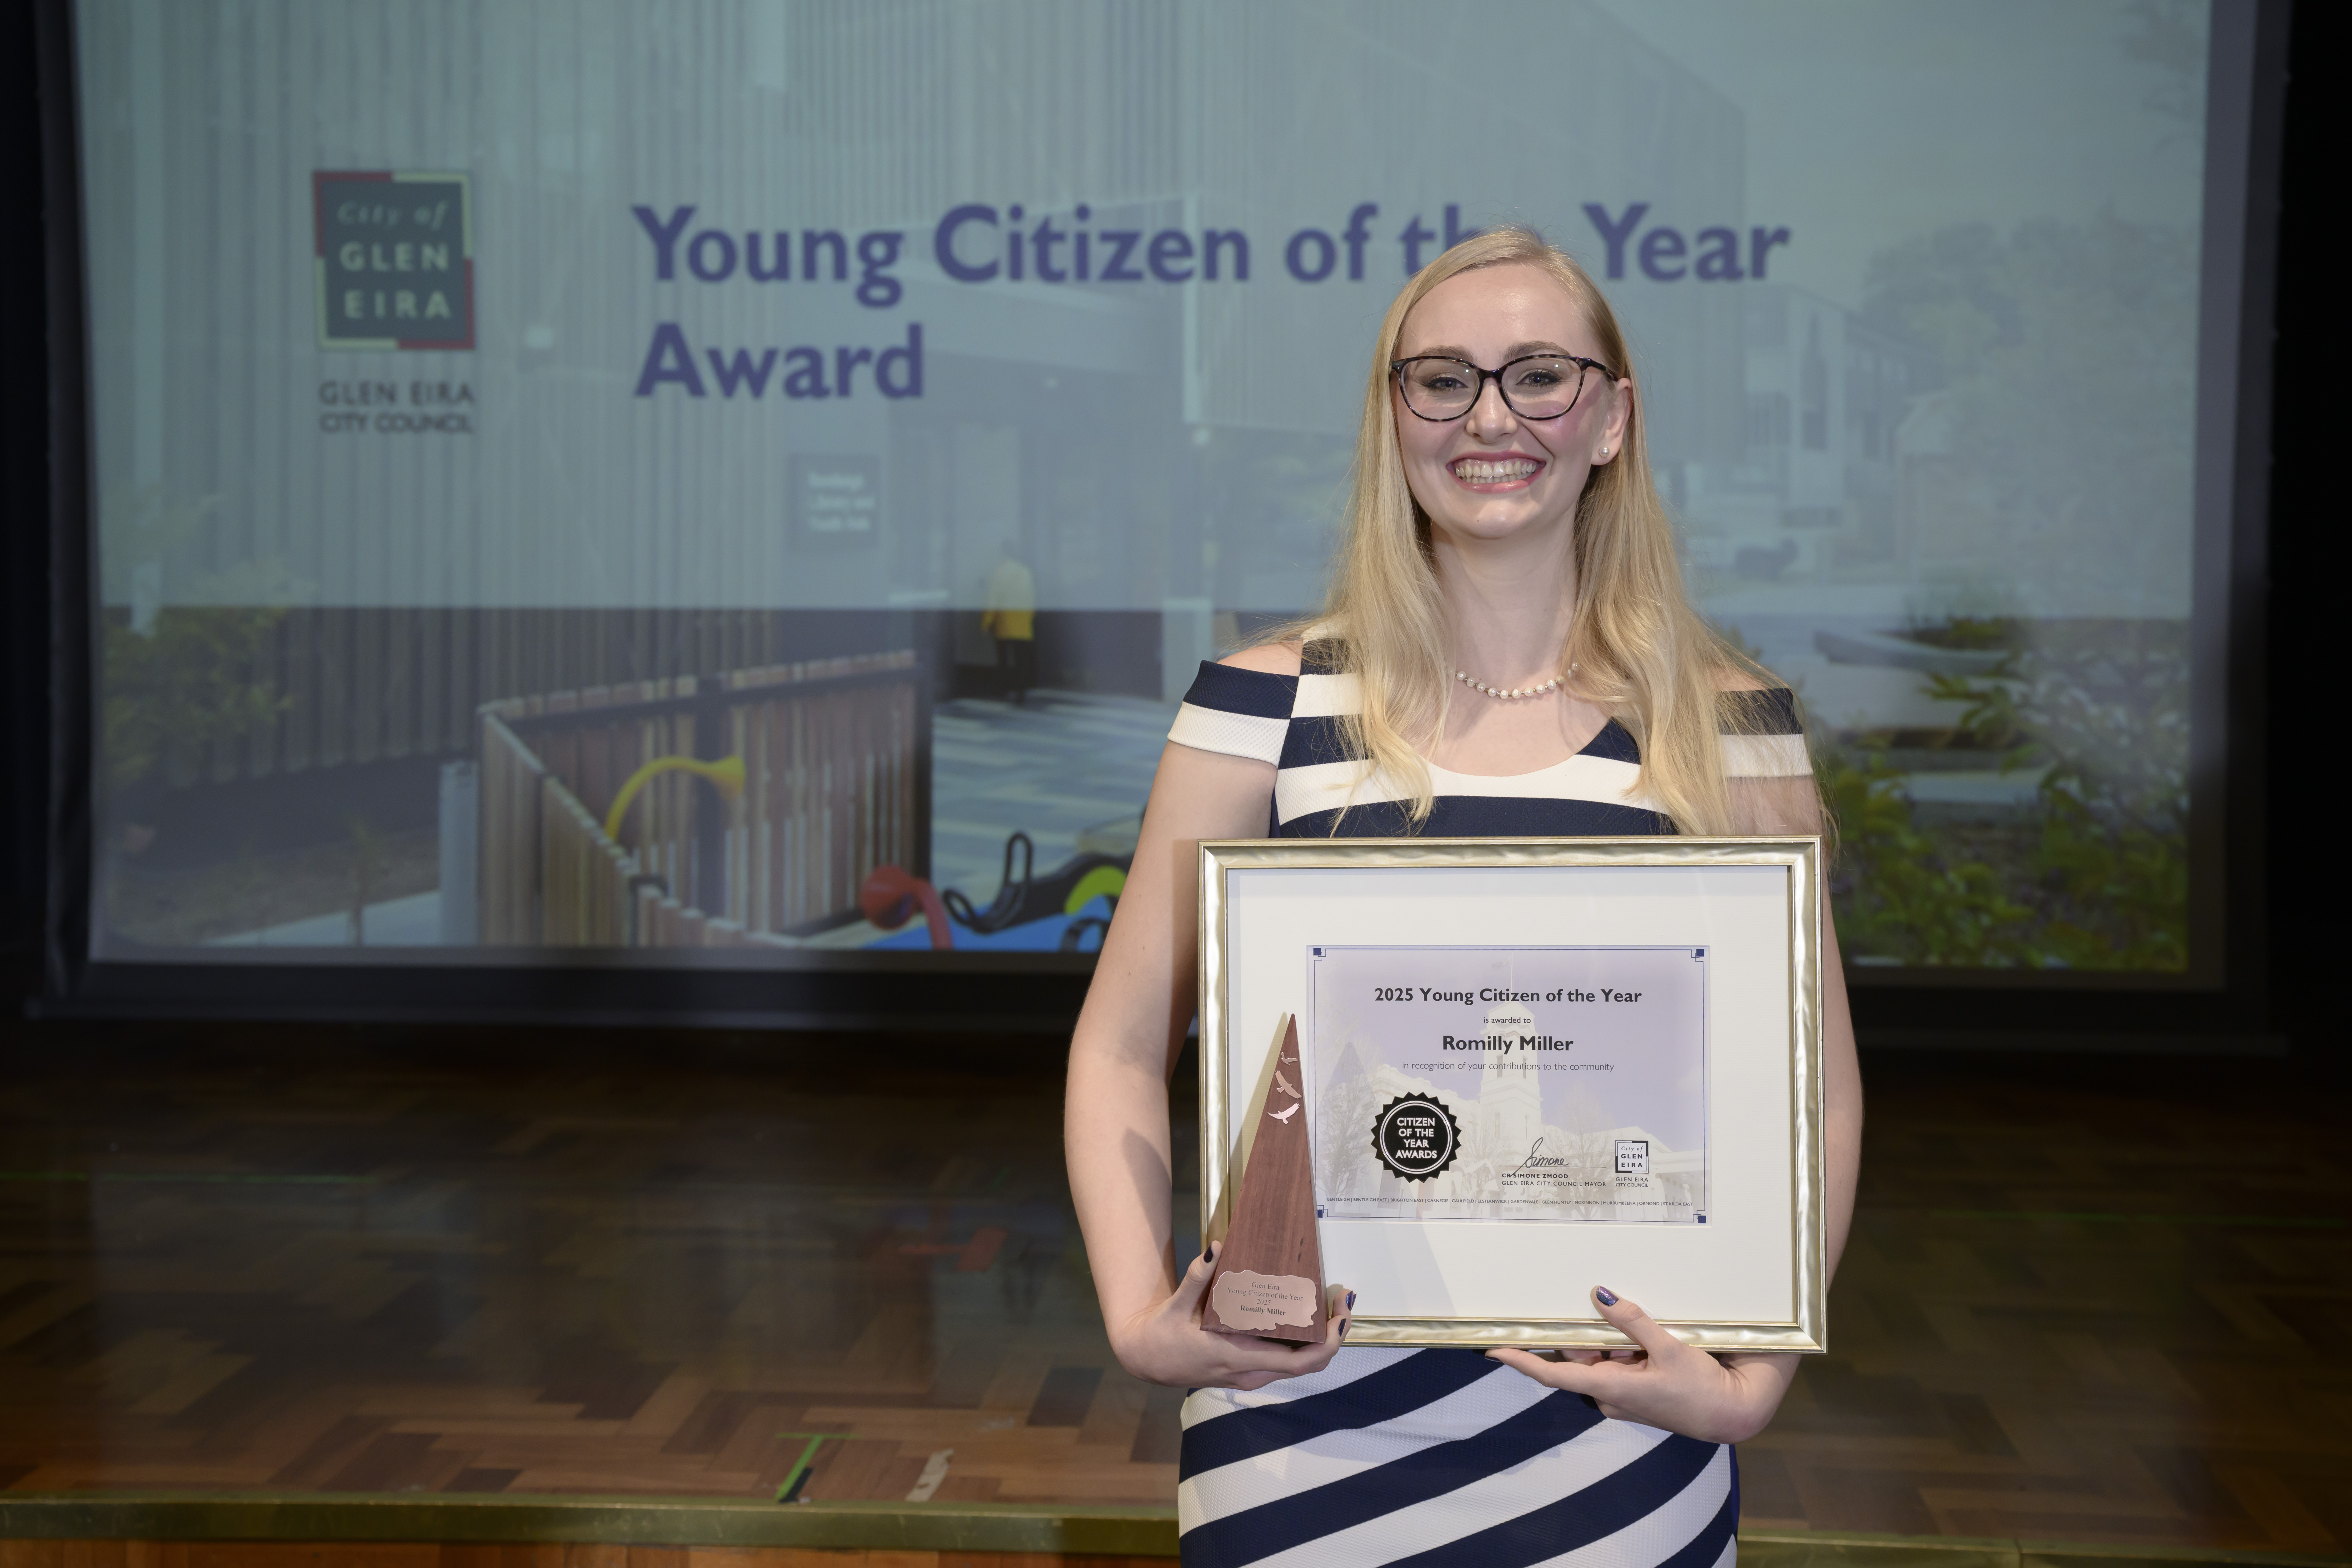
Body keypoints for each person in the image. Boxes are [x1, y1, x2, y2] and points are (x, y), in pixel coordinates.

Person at [1065, 227, 1863, 1567]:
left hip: (1613, 1442)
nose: (1490, 416)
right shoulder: (1258, 707)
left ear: (1611, 416)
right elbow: (1119, 1045)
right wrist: (1141, 1314)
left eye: (1537, 375)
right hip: (1299, 1426)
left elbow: (1816, 1089)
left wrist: (1750, 1371)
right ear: (1394, 419)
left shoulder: (1727, 726)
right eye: (1441, 380)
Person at [981, 538, 1038, 705]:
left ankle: (1003, 689)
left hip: (1005, 621)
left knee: (1004, 659)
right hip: (1023, 621)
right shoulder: (1026, 572)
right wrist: (1030, 618)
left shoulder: (999, 572)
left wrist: (986, 624)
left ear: (1004, 553)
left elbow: (993, 600)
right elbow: (1032, 598)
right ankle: (1021, 693)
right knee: (1021, 660)